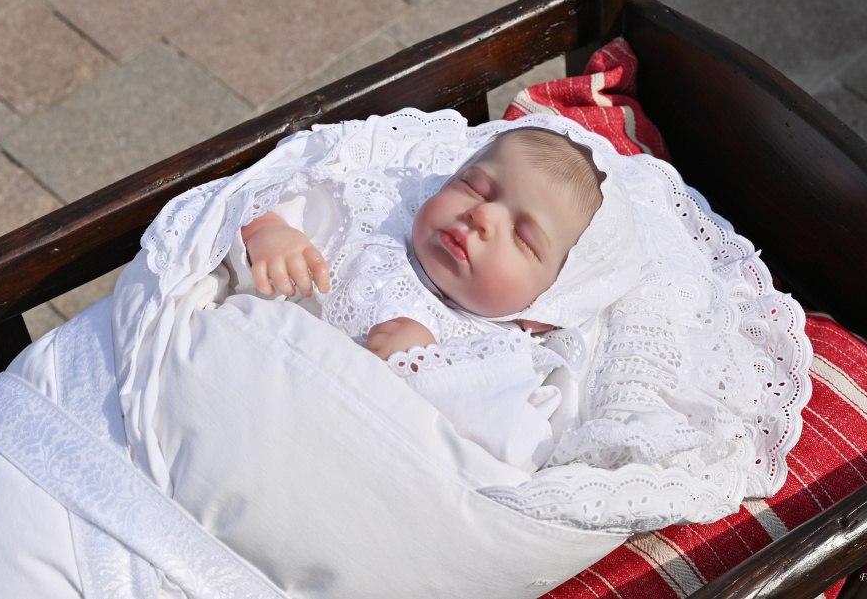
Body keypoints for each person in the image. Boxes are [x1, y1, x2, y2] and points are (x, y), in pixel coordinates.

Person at [230, 126, 616, 472]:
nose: (482, 215)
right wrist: (267, 230)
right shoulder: (371, 224)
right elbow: (263, 204)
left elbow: (517, 455)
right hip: (256, 388)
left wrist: (429, 369)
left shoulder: (504, 361)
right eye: (475, 187)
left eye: (522, 237)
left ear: (546, 308)